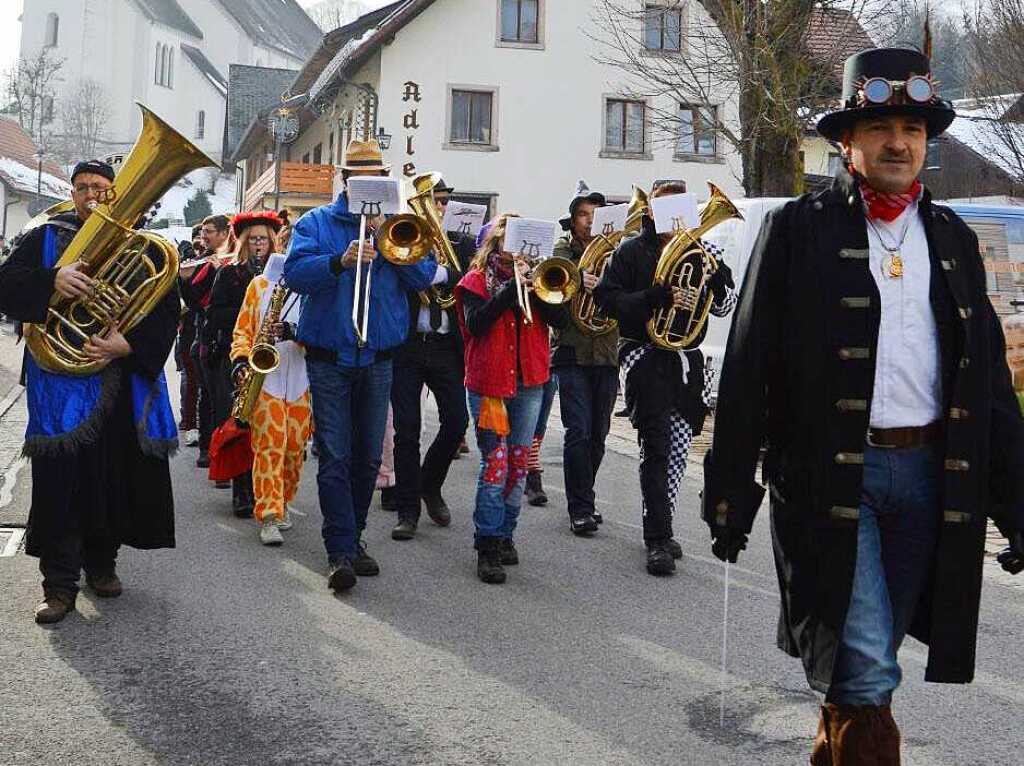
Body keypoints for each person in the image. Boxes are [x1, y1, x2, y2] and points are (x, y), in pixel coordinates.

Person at [702, 48, 1024, 764]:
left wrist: (1016, 502)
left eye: (912, 127)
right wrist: (728, 491)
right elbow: (750, 366)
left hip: (928, 481)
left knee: (864, 667)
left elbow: (989, 386)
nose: (898, 142)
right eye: (879, 125)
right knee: (869, 666)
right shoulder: (796, 231)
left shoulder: (953, 241)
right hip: (828, 483)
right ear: (847, 141)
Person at [0, 159, 179, 624]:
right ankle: (58, 586)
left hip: (118, 378)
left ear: (114, 192)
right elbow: (4, 285)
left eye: (100, 187)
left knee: (112, 477)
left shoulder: (144, 246)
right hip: (60, 383)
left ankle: (102, 564)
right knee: (60, 484)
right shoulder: (45, 236)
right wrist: (50, 280)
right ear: (73, 193)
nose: (91, 194)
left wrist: (130, 345)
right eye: (82, 187)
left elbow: (165, 311)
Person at [283, 138, 443, 592]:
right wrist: (339, 260)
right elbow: (294, 275)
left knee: (370, 457)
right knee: (336, 454)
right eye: (359, 177)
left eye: (376, 177)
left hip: (378, 358)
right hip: (330, 356)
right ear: (345, 179)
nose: (366, 184)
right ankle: (340, 550)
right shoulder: (316, 222)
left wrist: (385, 240)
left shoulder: (398, 227)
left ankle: (353, 538)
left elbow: (422, 278)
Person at [593, 180, 736, 576]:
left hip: (686, 359)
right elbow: (605, 300)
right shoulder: (630, 251)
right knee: (655, 446)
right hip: (645, 355)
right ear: (652, 210)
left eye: (681, 205)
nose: (674, 215)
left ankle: (663, 521)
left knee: (677, 448)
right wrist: (652, 299)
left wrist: (716, 279)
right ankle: (656, 537)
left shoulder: (702, 251)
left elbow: (725, 308)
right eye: (665, 206)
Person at [455, 214, 569, 584]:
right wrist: (510, 288)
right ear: (495, 248)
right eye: (507, 251)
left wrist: (537, 287)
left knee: (519, 465)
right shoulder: (474, 282)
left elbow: (560, 319)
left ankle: (506, 534)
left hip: (530, 381)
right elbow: (476, 324)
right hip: (489, 386)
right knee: (495, 466)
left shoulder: (539, 281)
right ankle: (486, 542)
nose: (514, 257)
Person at [390, 177, 474, 541]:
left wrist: (447, 271)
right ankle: (407, 510)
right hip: (407, 344)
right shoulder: (404, 237)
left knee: (456, 423)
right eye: (432, 201)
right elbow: (400, 279)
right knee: (405, 431)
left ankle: (430, 484)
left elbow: (469, 280)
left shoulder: (462, 244)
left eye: (442, 202)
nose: (438, 208)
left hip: (445, 346)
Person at [229, 213, 311, 547]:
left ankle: (284, 500)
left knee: (294, 449)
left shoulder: (309, 287)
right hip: (267, 380)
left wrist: (296, 333)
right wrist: (240, 361)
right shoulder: (258, 285)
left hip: (302, 378)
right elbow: (242, 329)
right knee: (268, 447)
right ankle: (268, 514)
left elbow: (321, 333)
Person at [550, 181, 617, 535]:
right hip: (572, 349)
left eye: (595, 215)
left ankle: (584, 495)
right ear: (573, 220)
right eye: (582, 215)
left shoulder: (616, 252)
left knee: (599, 433)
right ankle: (580, 507)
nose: (589, 222)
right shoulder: (563, 250)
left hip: (606, 349)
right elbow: (553, 293)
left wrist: (605, 286)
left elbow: (626, 295)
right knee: (578, 430)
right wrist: (579, 280)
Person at [206, 212, 271, 516]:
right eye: (254, 239)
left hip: (271, 357)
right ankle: (242, 489)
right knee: (241, 421)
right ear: (245, 242)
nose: (259, 244)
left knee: (267, 426)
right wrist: (249, 309)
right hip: (237, 354)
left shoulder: (280, 273)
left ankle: (264, 486)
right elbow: (215, 314)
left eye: (264, 239)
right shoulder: (230, 273)